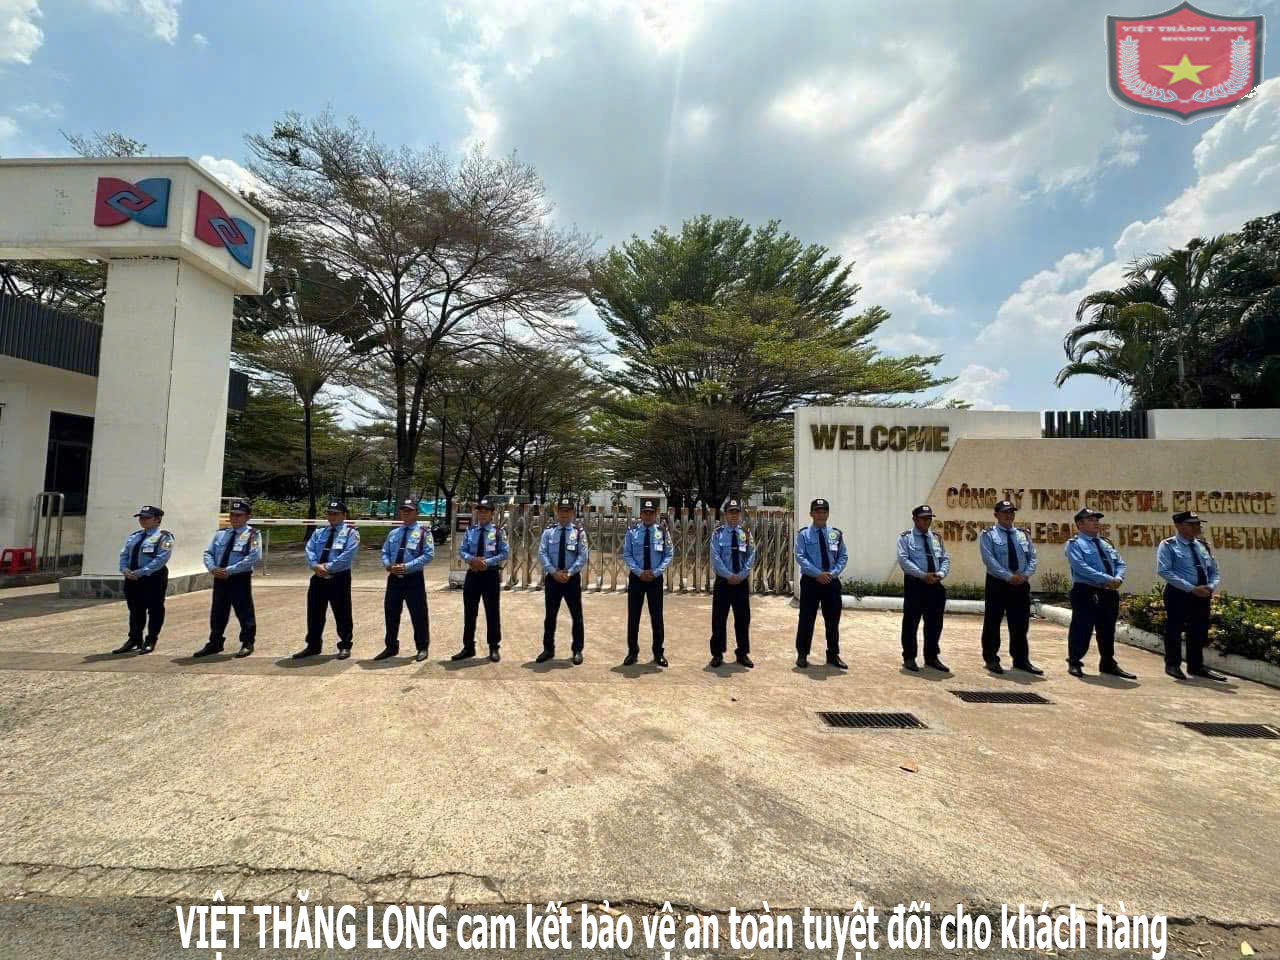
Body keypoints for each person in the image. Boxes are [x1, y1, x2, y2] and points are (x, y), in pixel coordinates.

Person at [1064, 508, 1135, 679]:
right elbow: (1081, 567)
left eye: (1097, 519)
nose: (1096, 522)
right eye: (1091, 519)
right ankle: (1074, 662)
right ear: (1079, 524)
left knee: (1107, 629)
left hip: (1109, 592)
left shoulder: (1105, 543)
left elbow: (1120, 563)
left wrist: (1118, 578)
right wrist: (1107, 579)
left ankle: (1108, 663)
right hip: (1086, 591)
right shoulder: (1074, 544)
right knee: (1082, 628)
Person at [1157, 510, 1226, 682]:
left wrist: (1210, 586)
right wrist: (1191, 588)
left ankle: (1196, 666)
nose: (1197, 527)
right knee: (1174, 629)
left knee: (1199, 630)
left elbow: (1214, 570)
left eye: (1198, 524)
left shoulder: (1202, 545)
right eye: (1192, 524)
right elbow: (1164, 571)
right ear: (1179, 526)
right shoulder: (1168, 545)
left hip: (1202, 594)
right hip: (1178, 593)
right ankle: (1172, 664)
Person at [978, 500, 1041, 674]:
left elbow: (1032, 557)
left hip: (1021, 584)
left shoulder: (1023, 534)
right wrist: (1008, 576)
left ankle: (1021, 660)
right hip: (997, 583)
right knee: (993, 622)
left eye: (1011, 512)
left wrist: (1025, 575)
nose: (1009, 515)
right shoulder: (988, 534)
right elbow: (989, 560)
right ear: (996, 515)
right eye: (1005, 512)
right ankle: (991, 659)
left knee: (1020, 624)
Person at [195, 499, 261, 659]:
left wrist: (229, 570)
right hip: (220, 577)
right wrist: (212, 568)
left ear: (247, 517)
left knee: (244, 611)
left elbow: (253, 557)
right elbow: (208, 553)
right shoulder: (221, 534)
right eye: (232, 515)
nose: (235, 518)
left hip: (239, 578)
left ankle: (247, 642)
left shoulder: (252, 535)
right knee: (218, 611)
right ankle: (215, 642)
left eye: (239, 515)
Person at [295, 499, 360, 660]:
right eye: (330, 513)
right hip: (318, 577)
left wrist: (328, 567)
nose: (332, 516)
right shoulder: (319, 533)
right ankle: (313, 645)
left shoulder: (351, 533)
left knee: (342, 612)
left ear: (344, 515)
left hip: (339, 577)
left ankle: (345, 645)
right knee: (314, 613)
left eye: (336, 514)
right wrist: (315, 565)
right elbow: (309, 549)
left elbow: (347, 555)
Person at [375, 499, 435, 662]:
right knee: (391, 613)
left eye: (409, 510)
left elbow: (428, 555)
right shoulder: (394, 533)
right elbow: (385, 552)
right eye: (403, 510)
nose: (406, 513)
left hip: (413, 579)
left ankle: (422, 647)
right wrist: (388, 565)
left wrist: (407, 566)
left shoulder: (424, 532)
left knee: (418, 614)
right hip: (394, 578)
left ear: (416, 513)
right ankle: (391, 647)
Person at [794, 497, 848, 669]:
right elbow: (800, 557)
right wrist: (818, 574)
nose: (821, 514)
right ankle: (802, 654)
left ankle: (833, 654)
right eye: (817, 511)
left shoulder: (836, 534)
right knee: (806, 619)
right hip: (811, 582)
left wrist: (832, 574)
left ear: (828, 513)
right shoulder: (803, 534)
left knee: (833, 620)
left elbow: (843, 556)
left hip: (831, 582)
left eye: (824, 511)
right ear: (811, 513)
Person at [112, 505, 174, 655]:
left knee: (155, 609)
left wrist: (141, 572)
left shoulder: (165, 537)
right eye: (141, 517)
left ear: (157, 519)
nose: (142, 520)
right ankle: (134, 639)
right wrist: (124, 569)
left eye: (147, 518)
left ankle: (151, 640)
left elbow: (161, 559)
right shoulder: (135, 536)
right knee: (135, 609)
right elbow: (124, 554)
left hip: (153, 577)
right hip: (132, 577)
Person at [453, 496, 509, 663]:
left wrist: (486, 562)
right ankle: (468, 647)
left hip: (490, 575)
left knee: (492, 612)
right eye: (480, 511)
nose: (482, 514)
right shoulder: (470, 531)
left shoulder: (498, 532)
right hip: (473, 575)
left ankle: (494, 646)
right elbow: (462, 550)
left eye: (486, 511)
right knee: (469, 612)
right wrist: (472, 560)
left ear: (492, 514)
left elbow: (504, 553)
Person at [896, 504, 951, 673]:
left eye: (929, 518)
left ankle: (932, 656)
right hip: (916, 584)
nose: (927, 521)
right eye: (923, 518)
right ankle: (909, 657)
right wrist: (922, 575)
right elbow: (904, 560)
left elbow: (945, 558)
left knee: (935, 623)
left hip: (935, 583)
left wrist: (940, 574)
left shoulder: (936, 538)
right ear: (915, 519)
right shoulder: (906, 538)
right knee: (911, 622)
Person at [622, 497, 674, 667]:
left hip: (655, 579)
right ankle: (632, 652)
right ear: (641, 514)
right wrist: (639, 572)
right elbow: (627, 554)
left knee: (657, 617)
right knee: (633, 616)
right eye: (645, 512)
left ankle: (658, 653)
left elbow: (668, 554)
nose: (648, 515)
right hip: (637, 579)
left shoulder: (662, 531)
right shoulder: (632, 532)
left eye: (651, 513)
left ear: (656, 513)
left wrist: (656, 572)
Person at [537, 497, 588, 665]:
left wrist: (570, 573)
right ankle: (548, 649)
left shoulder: (579, 533)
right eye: (561, 511)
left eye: (568, 511)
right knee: (550, 616)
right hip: (553, 579)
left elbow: (583, 556)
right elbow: (542, 553)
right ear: (557, 512)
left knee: (576, 616)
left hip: (571, 579)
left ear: (573, 513)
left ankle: (577, 650)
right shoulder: (548, 532)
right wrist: (553, 572)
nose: (564, 514)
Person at [709, 498, 755, 669]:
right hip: (723, 582)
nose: (734, 515)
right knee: (719, 619)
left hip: (741, 582)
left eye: (736, 512)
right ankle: (717, 654)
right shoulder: (718, 534)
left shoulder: (746, 534)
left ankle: (742, 653)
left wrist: (741, 575)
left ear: (740, 514)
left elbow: (751, 555)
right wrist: (729, 575)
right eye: (731, 512)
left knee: (743, 619)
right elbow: (715, 557)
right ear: (725, 514)